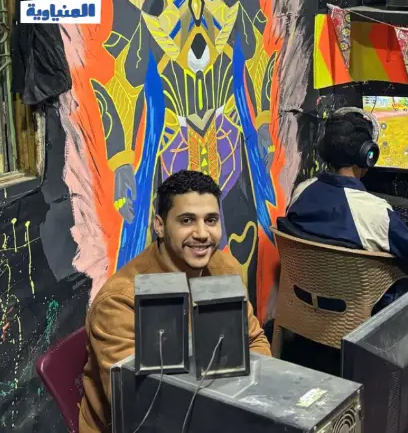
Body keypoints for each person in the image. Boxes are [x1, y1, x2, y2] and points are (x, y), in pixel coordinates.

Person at [79, 170, 271, 433]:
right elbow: (138, 402)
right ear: (159, 225)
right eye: (187, 220)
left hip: (214, 410)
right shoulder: (120, 301)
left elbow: (254, 341)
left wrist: (251, 401)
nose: (202, 233)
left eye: (211, 220)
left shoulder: (225, 268)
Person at [286, 107, 408, 267]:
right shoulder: (373, 212)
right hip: (366, 300)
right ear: (368, 156)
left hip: (305, 295)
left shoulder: (301, 191)